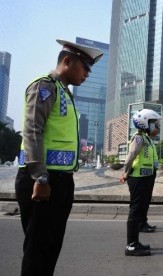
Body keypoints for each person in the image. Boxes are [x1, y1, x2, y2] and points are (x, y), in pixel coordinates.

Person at [15, 39, 103, 275]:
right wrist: (40, 178)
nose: (87, 74)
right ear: (67, 61)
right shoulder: (45, 87)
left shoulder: (64, 92)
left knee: (50, 249)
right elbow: (33, 130)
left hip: (61, 180)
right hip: (42, 181)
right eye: (85, 67)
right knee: (38, 252)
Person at [119, 109, 161, 256]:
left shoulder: (146, 138)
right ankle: (131, 245)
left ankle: (135, 242)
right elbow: (130, 156)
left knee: (140, 207)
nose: (156, 127)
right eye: (154, 124)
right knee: (135, 209)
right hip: (137, 178)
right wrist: (125, 172)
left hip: (145, 177)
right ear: (145, 124)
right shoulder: (138, 138)